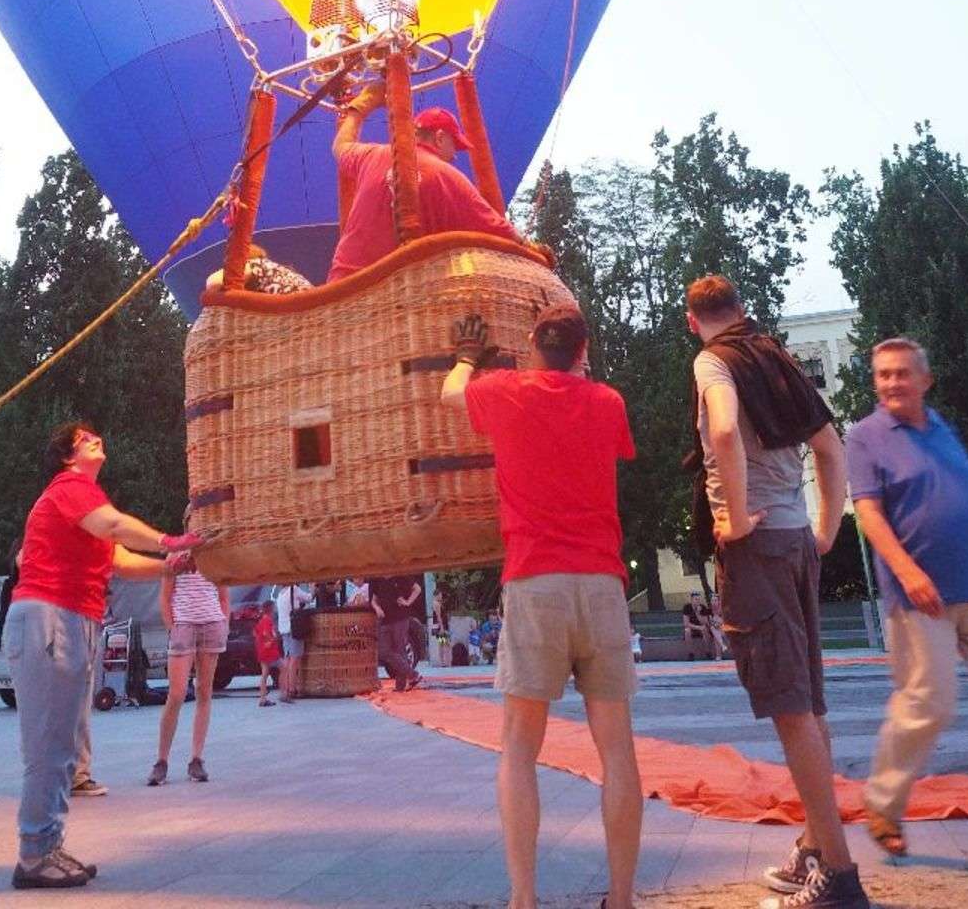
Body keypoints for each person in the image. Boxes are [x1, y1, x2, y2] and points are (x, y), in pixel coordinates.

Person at [441, 302, 641, 909]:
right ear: (582, 351)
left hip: (535, 583)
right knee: (617, 752)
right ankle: (623, 899)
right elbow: (596, 423)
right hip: (602, 584)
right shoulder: (608, 402)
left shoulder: (504, 391)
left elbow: (451, 394)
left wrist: (469, 359)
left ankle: (524, 898)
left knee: (520, 750)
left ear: (532, 344)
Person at [684, 274, 867, 909]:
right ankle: (815, 848)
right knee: (809, 703)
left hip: (758, 547)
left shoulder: (713, 361)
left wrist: (730, 519)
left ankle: (839, 879)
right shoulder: (777, 356)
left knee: (790, 707)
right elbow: (830, 446)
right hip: (794, 541)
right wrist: (825, 529)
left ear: (692, 320)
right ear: (741, 311)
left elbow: (727, 432)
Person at [4, 422, 206, 890]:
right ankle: (35, 855)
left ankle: (46, 846)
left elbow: (117, 560)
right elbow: (116, 527)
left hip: (67, 620)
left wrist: (169, 565)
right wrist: (170, 542)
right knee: (51, 744)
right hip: (51, 619)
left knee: (63, 743)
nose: (95, 438)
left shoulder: (85, 500)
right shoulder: (71, 488)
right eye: (83, 437)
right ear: (67, 456)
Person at [845, 335, 968, 859]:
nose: (891, 382)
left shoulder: (943, 432)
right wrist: (907, 572)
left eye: (902, 373)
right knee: (927, 704)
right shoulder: (864, 437)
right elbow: (868, 514)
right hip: (921, 597)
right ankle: (883, 805)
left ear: (924, 380)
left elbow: (967, 505)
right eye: (883, 374)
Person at [327, 85, 528, 282]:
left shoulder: (372, 155)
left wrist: (361, 105)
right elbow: (501, 231)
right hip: (399, 296)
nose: (454, 157)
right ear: (440, 138)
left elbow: (340, 146)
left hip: (342, 289)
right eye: (454, 146)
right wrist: (532, 248)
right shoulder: (449, 176)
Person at [148, 561, 229, 785]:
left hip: (212, 622)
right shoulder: (176, 557)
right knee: (176, 694)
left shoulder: (214, 555)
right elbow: (165, 596)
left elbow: (223, 593)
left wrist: (225, 623)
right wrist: (172, 628)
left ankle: (196, 759)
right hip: (183, 625)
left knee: (204, 691)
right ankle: (161, 760)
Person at [365, 575, 423, 691]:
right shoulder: (376, 578)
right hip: (385, 619)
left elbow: (417, 589)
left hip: (400, 617)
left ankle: (400, 686)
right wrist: (377, 609)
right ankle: (413, 674)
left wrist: (408, 602)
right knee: (383, 651)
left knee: (400, 649)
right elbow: (373, 600)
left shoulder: (401, 575)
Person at [205, 242, 312, 293]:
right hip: (317, 313)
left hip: (292, 315)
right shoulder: (280, 270)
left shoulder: (254, 265)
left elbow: (213, 282)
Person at [273, 581, 313, 701]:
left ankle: (285, 689)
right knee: (295, 659)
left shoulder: (280, 593)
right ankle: (292, 689)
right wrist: (312, 588)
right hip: (294, 628)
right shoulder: (293, 589)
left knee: (287, 658)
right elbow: (309, 598)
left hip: (284, 628)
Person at [252, 604, 281, 707]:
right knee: (284, 667)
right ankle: (285, 691)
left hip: (261, 650)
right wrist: (272, 640)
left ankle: (262, 698)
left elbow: (255, 633)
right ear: (271, 610)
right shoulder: (267, 620)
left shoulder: (260, 621)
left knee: (264, 675)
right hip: (269, 650)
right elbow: (265, 633)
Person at [681, 592, 708, 659]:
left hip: (701, 627)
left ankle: (708, 652)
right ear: (691, 600)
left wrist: (698, 613)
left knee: (705, 629)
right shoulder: (687, 607)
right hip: (692, 628)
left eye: (699, 599)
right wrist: (698, 627)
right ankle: (691, 654)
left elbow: (705, 622)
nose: (698, 601)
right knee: (687, 631)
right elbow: (686, 623)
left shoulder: (703, 607)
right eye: (696, 599)